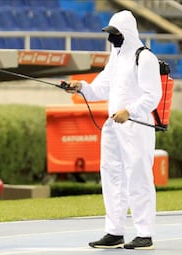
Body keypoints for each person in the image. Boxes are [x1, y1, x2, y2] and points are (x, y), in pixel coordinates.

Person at [65, 10, 162, 250]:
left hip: (137, 126)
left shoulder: (145, 57)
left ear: (127, 33)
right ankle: (114, 231)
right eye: (110, 33)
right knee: (111, 175)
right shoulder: (116, 58)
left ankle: (144, 233)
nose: (112, 39)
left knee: (138, 176)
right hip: (113, 125)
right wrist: (81, 87)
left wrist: (129, 111)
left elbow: (153, 96)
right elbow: (101, 89)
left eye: (115, 34)